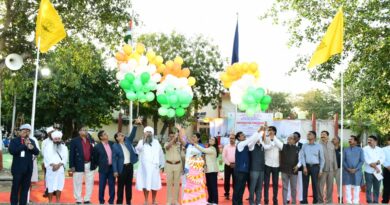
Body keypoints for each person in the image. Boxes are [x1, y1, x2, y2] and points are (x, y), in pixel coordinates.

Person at [233, 125, 266, 205]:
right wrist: (258, 130)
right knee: (237, 188)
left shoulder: (246, 145)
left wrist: (261, 132)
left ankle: (239, 202)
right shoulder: (240, 145)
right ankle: (235, 203)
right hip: (240, 171)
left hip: (245, 171)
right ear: (238, 138)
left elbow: (254, 140)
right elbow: (251, 139)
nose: (244, 135)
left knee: (242, 189)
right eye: (242, 135)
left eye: (244, 134)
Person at [9, 124, 39, 205]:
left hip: (28, 169)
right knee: (15, 188)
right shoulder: (14, 141)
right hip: (17, 169)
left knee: (25, 189)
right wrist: (23, 145)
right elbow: (12, 151)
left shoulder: (31, 141)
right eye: (24, 130)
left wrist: (30, 146)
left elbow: (36, 152)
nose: (26, 132)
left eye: (28, 131)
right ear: (20, 131)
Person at [112, 119, 140, 205]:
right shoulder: (115, 146)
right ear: (117, 138)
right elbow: (114, 159)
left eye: (122, 134)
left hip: (130, 166)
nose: (122, 135)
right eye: (120, 135)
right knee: (120, 186)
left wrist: (135, 124)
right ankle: (119, 202)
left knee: (129, 186)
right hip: (122, 168)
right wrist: (115, 171)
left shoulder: (128, 141)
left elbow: (132, 134)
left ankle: (128, 202)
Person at [135, 126, 165, 205]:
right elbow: (137, 150)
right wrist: (144, 140)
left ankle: (154, 200)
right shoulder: (141, 142)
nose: (148, 134)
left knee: (154, 183)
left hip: (154, 167)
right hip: (144, 168)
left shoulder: (156, 142)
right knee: (145, 183)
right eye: (147, 132)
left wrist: (162, 165)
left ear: (152, 134)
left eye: (150, 132)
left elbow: (160, 154)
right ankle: (146, 200)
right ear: (144, 133)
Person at [69, 127, 96, 204]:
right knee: (77, 182)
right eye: (83, 130)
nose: (85, 131)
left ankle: (87, 199)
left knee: (90, 182)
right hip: (78, 164)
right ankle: (78, 199)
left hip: (90, 164)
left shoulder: (91, 140)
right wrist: (72, 166)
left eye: (86, 130)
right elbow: (71, 154)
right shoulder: (74, 141)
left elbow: (94, 152)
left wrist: (95, 163)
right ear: (79, 132)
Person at [181, 132, 207, 205]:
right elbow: (182, 141)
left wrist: (203, 167)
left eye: (195, 137)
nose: (193, 138)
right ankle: (187, 201)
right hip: (187, 168)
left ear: (198, 138)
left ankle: (198, 202)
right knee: (186, 186)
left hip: (196, 170)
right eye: (192, 137)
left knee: (196, 186)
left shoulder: (201, 146)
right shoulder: (189, 145)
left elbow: (203, 158)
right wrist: (180, 131)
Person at [300, 131, 325, 204]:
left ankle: (315, 201)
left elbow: (322, 159)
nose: (308, 135)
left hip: (315, 167)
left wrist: (320, 170)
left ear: (314, 136)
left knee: (315, 184)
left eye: (309, 134)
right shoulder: (304, 145)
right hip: (306, 166)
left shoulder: (319, 146)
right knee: (305, 184)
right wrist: (304, 166)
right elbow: (302, 157)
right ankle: (304, 201)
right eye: (307, 134)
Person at [193, 136, 219, 205]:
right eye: (210, 139)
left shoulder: (213, 149)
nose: (210, 140)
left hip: (212, 170)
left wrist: (195, 144)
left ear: (215, 142)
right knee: (209, 186)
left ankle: (215, 201)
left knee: (213, 186)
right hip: (208, 170)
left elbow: (203, 150)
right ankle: (210, 200)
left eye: (212, 140)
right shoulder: (209, 148)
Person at [44, 130, 68, 203]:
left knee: (59, 185)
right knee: (50, 185)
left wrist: (58, 165)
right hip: (51, 168)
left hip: (60, 169)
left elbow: (65, 158)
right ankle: (50, 202)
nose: (57, 140)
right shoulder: (47, 147)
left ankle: (58, 201)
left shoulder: (64, 147)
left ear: (60, 139)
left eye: (58, 139)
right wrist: (53, 165)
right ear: (53, 139)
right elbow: (46, 157)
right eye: (55, 139)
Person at [164, 124, 186, 205]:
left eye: (173, 136)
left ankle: (176, 201)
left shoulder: (179, 145)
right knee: (169, 184)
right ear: (169, 137)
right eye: (171, 136)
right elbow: (168, 147)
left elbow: (184, 145)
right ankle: (169, 201)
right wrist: (174, 139)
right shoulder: (166, 144)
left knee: (177, 184)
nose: (172, 137)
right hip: (169, 165)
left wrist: (179, 132)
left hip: (178, 165)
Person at [248, 126, 269, 205]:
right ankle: (251, 202)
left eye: (260, 138)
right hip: (254, 169)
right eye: (258, 138)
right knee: (252, 187)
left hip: (261, 170)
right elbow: (253, 140)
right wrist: (258, 132)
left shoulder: (262, 146)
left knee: (260, 187)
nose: (259, 139)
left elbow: (269, 146)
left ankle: (258, 201)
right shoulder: (252, 145)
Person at [93, 130, 115, 204]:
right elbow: (95, 158)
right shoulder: (97, 147)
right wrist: (100, 164)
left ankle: (111, 201)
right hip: (102, 169)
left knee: (112, 186)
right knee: (102, 186)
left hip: (112, 168)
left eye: (106, 134)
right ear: (101, 137)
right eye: (105, 134)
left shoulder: (112, 144)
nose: (107, 135)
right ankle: (101, 201)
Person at [263, 126, 283, 205]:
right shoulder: (266, 139)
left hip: (276, 165)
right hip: (267, 164)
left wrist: (273, 138)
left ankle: (275, 200)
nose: (269, 131)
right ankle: (266, 201)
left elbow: (281, 147)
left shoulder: (278, 140)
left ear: (274, 131)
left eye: (271, 130)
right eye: (268, 130)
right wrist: (269, 138)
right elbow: (265, 148)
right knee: (266, 184)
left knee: (275, 184)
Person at [363, 135, 385, 203]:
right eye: (368, 140)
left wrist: (377, 163)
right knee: (368, 187)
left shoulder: (380, 149)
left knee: (377, 188)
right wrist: (376, 167)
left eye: (371, 140)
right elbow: (367, 160)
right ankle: (369, 201)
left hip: (378, 172)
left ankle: (375, 201)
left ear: (375, 141)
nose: (369, 141)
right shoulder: (364, 149)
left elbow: (382, 159)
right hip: (368, 171)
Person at [343, 135, 364, 204]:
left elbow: (362, 161)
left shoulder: (360, 150)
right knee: (348, 186)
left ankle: (356, 201)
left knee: (356, 187)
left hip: (357, 171)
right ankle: (348, 201)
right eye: (349, 139)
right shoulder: (345, 149)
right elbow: (343, 160)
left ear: (355, 141)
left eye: (351, 139)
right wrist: (347, 168)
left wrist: (356, 169)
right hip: (347, 171)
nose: (349, 140)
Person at [318, 130, 338, 204]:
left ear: (327, 136)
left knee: (330, 186)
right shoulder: (318, 144)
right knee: (320, 186)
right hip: (322, 169)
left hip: (331, 169)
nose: (322, 135)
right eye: (321, 134)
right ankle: (320, 201)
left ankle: (329, 201)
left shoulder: (331, 144)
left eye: (324, 134)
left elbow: (334, 156)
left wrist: (335, 167)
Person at [280, 135, 299, 205]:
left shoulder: (298, 148)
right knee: (284, 188)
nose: (289, 140)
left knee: (294, 188)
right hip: (284, 170)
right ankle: (284, 203)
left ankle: (293, 203)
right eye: (288, 138)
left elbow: (301, 159)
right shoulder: (283, 146)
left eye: (291, 138)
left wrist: (298, 166)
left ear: (294, 140)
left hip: (294, 171)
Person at [41, 126, 55, 198]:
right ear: (48, 133)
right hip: (48, 163)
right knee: (47, 177)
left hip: (56, 162)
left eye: (53, 132)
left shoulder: (57, 140)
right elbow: (43, 152)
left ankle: (54, 190)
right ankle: (47, 190)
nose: (51, 134)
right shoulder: (44, 142)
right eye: (50, 133)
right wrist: (45, 162)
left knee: (55, 176)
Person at [222, 133, 236, 200]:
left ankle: (235, 194)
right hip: (227, 165)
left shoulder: (237, 147)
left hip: (236, 166)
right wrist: (229, 164)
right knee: (226, 180)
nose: (231, 139)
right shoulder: (226, 146)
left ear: (235, 139)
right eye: (230, 138)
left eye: (233, 138)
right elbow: (223, 157)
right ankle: (227, 193)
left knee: (235, 181)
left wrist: (235, 164)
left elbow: (239, 157)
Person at [332, 136, 342, 203]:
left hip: (339, 169)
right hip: (330, 169)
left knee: (339, 184)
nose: (333, 140)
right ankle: (329, 198)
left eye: (334, 139)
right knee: (329, 184)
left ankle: (340, 198)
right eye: (333, 139)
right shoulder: (330, 148)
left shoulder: (342, 149)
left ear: (338, 141)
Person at [382, 137, 390, 204]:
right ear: (388, 141)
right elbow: (382, 159)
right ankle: (385, 201)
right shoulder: (384, 149)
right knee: (386, 186)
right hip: (387, 169)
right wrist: (387, 166)